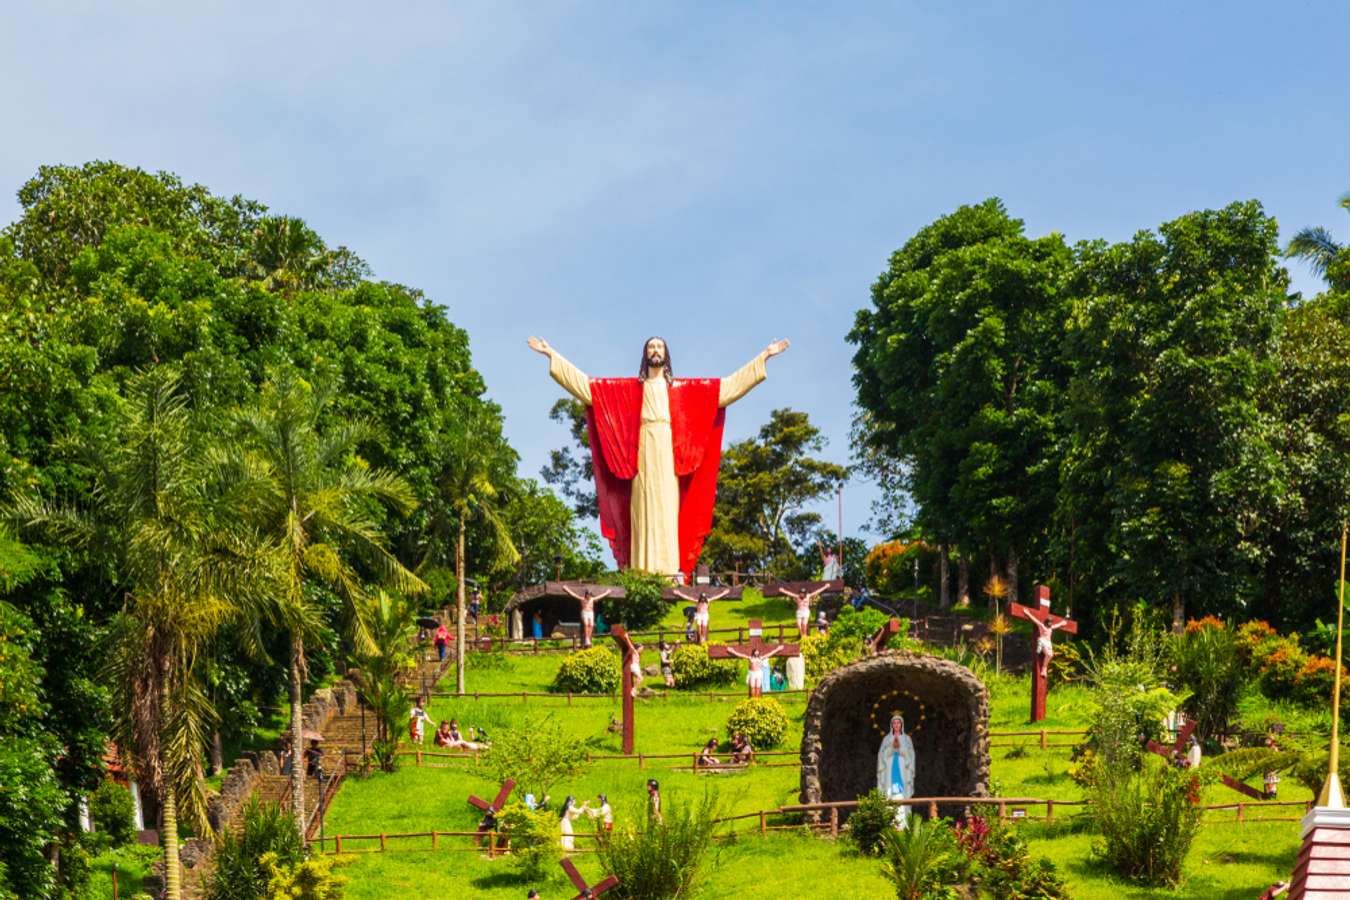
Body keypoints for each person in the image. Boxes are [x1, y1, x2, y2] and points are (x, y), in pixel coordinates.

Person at [531, 335, 788, 577]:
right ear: (645, 354)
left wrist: (764, 356)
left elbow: (727, 388)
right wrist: (551, 354)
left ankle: (668, 571)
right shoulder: (629, 390)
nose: (655, 350)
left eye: (660, 347)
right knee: (641, 509)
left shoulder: (684, 390)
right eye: (651, 347)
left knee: (667, 509)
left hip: (667, 452)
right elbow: (587, 388)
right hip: (641, 452)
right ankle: (642, 572)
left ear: (666, 354)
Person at [877, 714, 916, 830]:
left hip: (903, 768)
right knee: (889, 795)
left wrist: (901, 748)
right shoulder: (886, 739)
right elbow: (881, 756)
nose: (896, 725)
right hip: (889, 768)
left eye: (898, 723)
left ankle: (904, 825)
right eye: (894, 723)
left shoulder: (907, 739)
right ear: (891, 725)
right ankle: (889, 824)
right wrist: (891, 749)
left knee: (902, 795)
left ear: (901, 725)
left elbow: (911, 756)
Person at [562, 585, 615, 649]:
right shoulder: (582, 599)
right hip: (585, 612)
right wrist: (566, 589)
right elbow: (574, 595)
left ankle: (589, 639)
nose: (589, 596)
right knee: (586, 624)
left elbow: (600, 596)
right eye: (588, 595)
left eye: (590, 595)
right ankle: (587, 638)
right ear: (586, 595)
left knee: (591, 625)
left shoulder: (592, 599)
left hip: (590, 613)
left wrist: (607, 592)